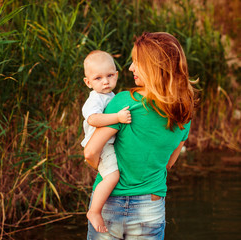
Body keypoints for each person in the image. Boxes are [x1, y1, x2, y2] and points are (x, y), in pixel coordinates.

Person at [84, 32, 197, 239]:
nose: (130, 68)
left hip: (109, 202)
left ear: (154, 66)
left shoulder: (124, 102)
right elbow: (168, 164)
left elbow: (90, 152)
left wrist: (104, 170)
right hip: (150, 206)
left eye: (137, 62)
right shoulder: (184, 113)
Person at [81, 50, 132, 233]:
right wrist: (117, 117)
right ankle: (94, 211)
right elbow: (93, 119)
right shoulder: (95, 98)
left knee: (112, 174)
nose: (105, 81)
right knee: (113, 176)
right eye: (98, 78)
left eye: (110, 76)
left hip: (107, 145)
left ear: (116, 75)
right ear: (88, 82)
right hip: (101, 146)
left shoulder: (110, 96)